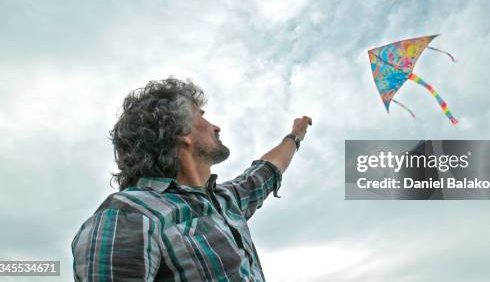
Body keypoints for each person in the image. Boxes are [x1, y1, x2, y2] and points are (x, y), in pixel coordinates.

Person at [71, 77, 311, 281]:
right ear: (181, 132)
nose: (216, 126)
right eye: (201, 116)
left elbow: (268, 168)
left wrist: (295, 135)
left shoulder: (226, 201)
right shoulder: (130, 214)